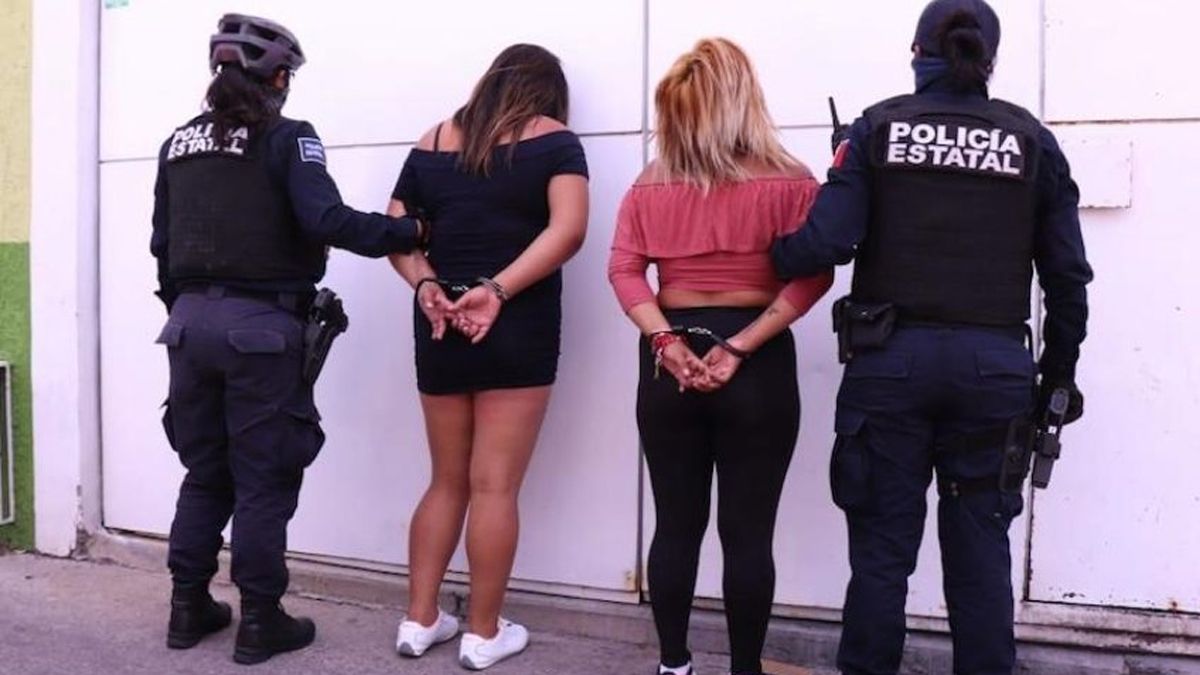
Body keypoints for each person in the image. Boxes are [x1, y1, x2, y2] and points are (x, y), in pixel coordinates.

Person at [770, 1, 1093, 673]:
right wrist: (1057, 379)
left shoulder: (877, 128)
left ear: (917, 53)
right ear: (989, 63)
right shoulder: (1031, 141)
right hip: (994, 372)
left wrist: (773, 252)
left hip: (889, 366)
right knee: (981, 557)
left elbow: (825, 243)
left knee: (881, 557)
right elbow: (1067, 278)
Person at [150, 14, 428, 665]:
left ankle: (187, 606)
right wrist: (408, 231)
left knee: (205, 470)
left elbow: (161, 244)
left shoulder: (176, 144)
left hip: (187, 327)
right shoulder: (288, 137)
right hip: (261, 332)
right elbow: (325, 220)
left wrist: (188, 312)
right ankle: (260, 620)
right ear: (278, 78)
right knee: (263, 477)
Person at [608, 38, 833, 675]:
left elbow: (624, 270)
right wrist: (739, 346)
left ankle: (673, 666)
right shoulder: (792, 180)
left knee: (675, 525)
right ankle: (744, 669)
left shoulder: (650, 184)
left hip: (669, 360)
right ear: (743, 98)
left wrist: (666, 342)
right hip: (757, 360)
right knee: (748, 533)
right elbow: (814, 276)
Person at [385, 44, 589, 670]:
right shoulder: (556, 141)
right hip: (514, 322)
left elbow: (397, 230)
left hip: (441, 322)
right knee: (494, 484)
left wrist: (426, 285)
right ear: (547, 93)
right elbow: (569, 229)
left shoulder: (433, 139)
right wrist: (497, 291)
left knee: (445, 479)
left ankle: (419, 620)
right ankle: (482, 631)